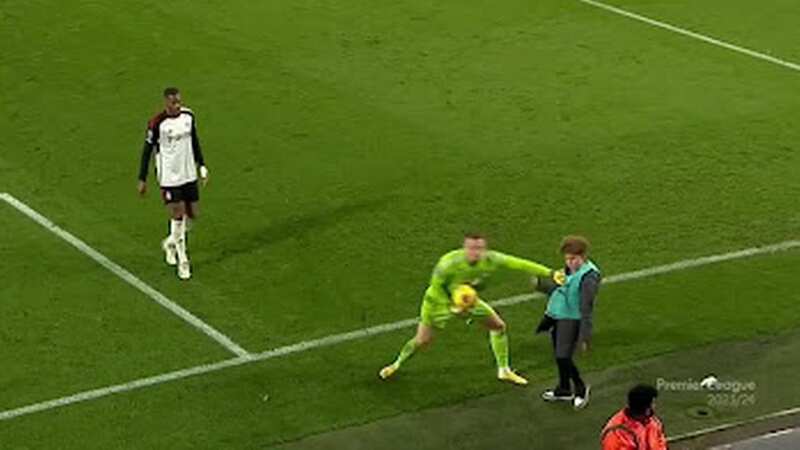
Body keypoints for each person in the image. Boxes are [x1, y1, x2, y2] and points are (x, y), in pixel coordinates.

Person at [379, 233, 561, 385]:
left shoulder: (490, 259)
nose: (476, 252)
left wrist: (550, 273)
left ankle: (503, 370)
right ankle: (397, 364)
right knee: (422, 341)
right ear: (464, 248)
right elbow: (436, 288)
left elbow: (518, 263)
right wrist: (452, 307)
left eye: (480, 248)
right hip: (437, 304)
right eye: (472, 248)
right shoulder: (448, 264)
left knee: (498, 326)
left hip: (467, 300)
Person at [137, 87, 208, 280]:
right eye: (173, 103)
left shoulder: (188, 116)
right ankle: (183, 260)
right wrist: (142, 178)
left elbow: (194, 140)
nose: (177, 106)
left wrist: (201, 165)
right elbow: (147, 151)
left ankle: (170, 242)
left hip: (188, 174)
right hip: (169, 177)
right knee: (178, 215)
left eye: (179, 102)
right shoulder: (157, 123)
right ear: (166, 104)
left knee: (192, 215)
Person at [536, 235, 601, 409]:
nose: (570, 262)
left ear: (583, 257)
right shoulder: (565, 271)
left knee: (563, 356)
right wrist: (540, 285)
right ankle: (564, 389)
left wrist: (584, 337)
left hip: (572, 320)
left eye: (573, 258)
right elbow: (558, 290)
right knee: (559, 357)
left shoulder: (589, 277)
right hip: (557, 317)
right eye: (567, 258)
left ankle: (580, 388)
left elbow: (586, 308)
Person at [601, 384, 668, 450]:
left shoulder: (653, 422)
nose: (655, 406)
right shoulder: (616, 432)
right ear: (646, 410)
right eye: (653, 403)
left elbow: (661, 445)